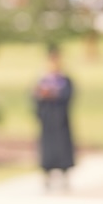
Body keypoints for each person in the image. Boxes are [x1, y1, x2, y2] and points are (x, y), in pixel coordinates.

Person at [32, 44, 75, 191]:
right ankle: (47, 176)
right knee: (47, 149)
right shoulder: (42, 80)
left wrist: (53, 94)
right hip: (47, 120)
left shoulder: (65, 80)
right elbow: (35, 98)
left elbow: (68, 96)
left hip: (61, 119)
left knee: (63, 147)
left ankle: (64, 176)